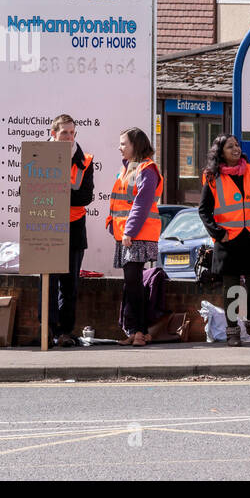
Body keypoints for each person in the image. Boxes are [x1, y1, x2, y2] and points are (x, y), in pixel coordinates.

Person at [200, 134, 250, 347]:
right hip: (228, 240)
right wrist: (217, 233)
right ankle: (232, 332)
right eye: (230, 146)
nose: (236, 149)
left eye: (237, 145)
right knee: (231, 288)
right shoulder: (212, 177)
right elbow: (204, 210)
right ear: (220, 152)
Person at [108, 127, 162, 347]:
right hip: (127, 234)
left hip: (137, 234)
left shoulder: (147, 170)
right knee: (132, 284)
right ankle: (136, 330)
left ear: (135, 145)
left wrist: (129, 230)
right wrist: (115, 228)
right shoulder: (129, 169)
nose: (120, 147)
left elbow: (142, 203)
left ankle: (140, 331)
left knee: (133, 283)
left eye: (124, 144)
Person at [44, 114, 94, 347]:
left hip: (74, 228)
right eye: (64, 132)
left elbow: (85, 197)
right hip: (46, 226)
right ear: (53, 133)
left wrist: (54, 190)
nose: (69, 137)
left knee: (69, 286)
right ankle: (48, 331)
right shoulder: (39, 155)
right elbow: (28, 190)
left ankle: (64, 332)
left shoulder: (85, 160)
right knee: (47, 282)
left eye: (72, 133)